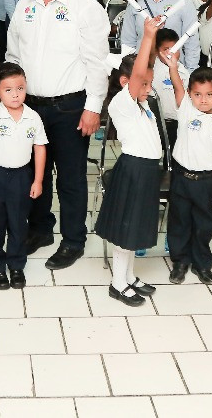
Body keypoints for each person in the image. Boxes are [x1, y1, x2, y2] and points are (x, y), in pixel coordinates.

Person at [6, 0, 109, 270]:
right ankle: (40, 229)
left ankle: (73, 240)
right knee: (33, 173)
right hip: (30, 107)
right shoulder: (25, 5)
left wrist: (93, 107)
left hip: (71, 108)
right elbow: (13, 55)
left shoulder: (85, 7)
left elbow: (97, 63)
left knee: (70, 178)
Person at [94, 16, 162, 306]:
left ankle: (130, 276)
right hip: (133, 169)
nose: (147, 87)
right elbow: (137, 77)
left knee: (135, 227)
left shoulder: (142, 105)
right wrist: (147, 36)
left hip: (147, 171)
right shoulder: (123, 102)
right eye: (143, 83)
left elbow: (143, 73)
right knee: (125, 228)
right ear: (127, 82)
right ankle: (117, 283)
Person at [0, 58, 46, 290]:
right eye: (8, 90)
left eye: (20, 89)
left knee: (18, 223)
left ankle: (16, 265)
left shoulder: (33, 117)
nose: (15, 95)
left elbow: (40, 148)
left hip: (22, 177)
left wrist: (37, 180)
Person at [165, 65, 212, 285]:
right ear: (191, 95)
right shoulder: (186, 110)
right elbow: (177, 86)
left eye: (209, 94)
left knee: (204, 223)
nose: (203, 100)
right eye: (197, 95)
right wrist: (173, 66)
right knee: (179, 220)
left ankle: (202, 263)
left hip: (207, 180)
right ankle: (180, 261)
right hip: (182, 177)